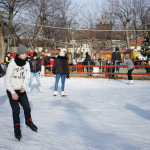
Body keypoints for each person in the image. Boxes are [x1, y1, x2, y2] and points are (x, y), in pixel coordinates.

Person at [4, 44, 38, 141]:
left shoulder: (27, 63)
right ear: (19, 54)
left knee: (27, 107)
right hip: (12, 90)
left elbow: (27, 76)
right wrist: (12, 92)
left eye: (25, 54)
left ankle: (28, 121)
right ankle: (17, 128)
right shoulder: (12, 63)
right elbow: (7, 79)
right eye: (22, 54)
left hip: (21, 89)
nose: (24, 55)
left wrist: (24, 86)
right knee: (16, 110)